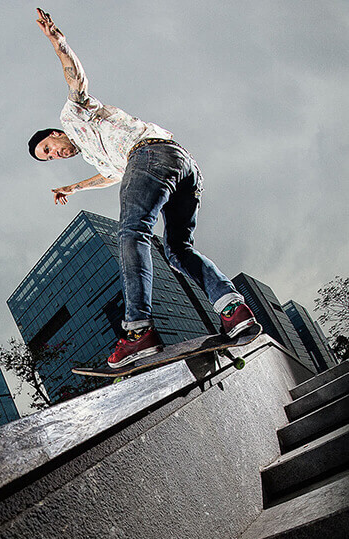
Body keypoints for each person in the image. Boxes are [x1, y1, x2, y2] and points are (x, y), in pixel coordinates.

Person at [29, 8, 257, 369]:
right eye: (50, 160)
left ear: (54, 134)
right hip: (183, 165)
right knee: (178, 249)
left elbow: (76, 82)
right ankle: (233, 308)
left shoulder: (73, 117)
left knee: (132, 231)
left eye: (49, 150)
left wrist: (59, 44)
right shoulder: (95, 155)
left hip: (149, 155)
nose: (55, 155)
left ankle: (138, 331)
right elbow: (110, 175)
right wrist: (71, 187)